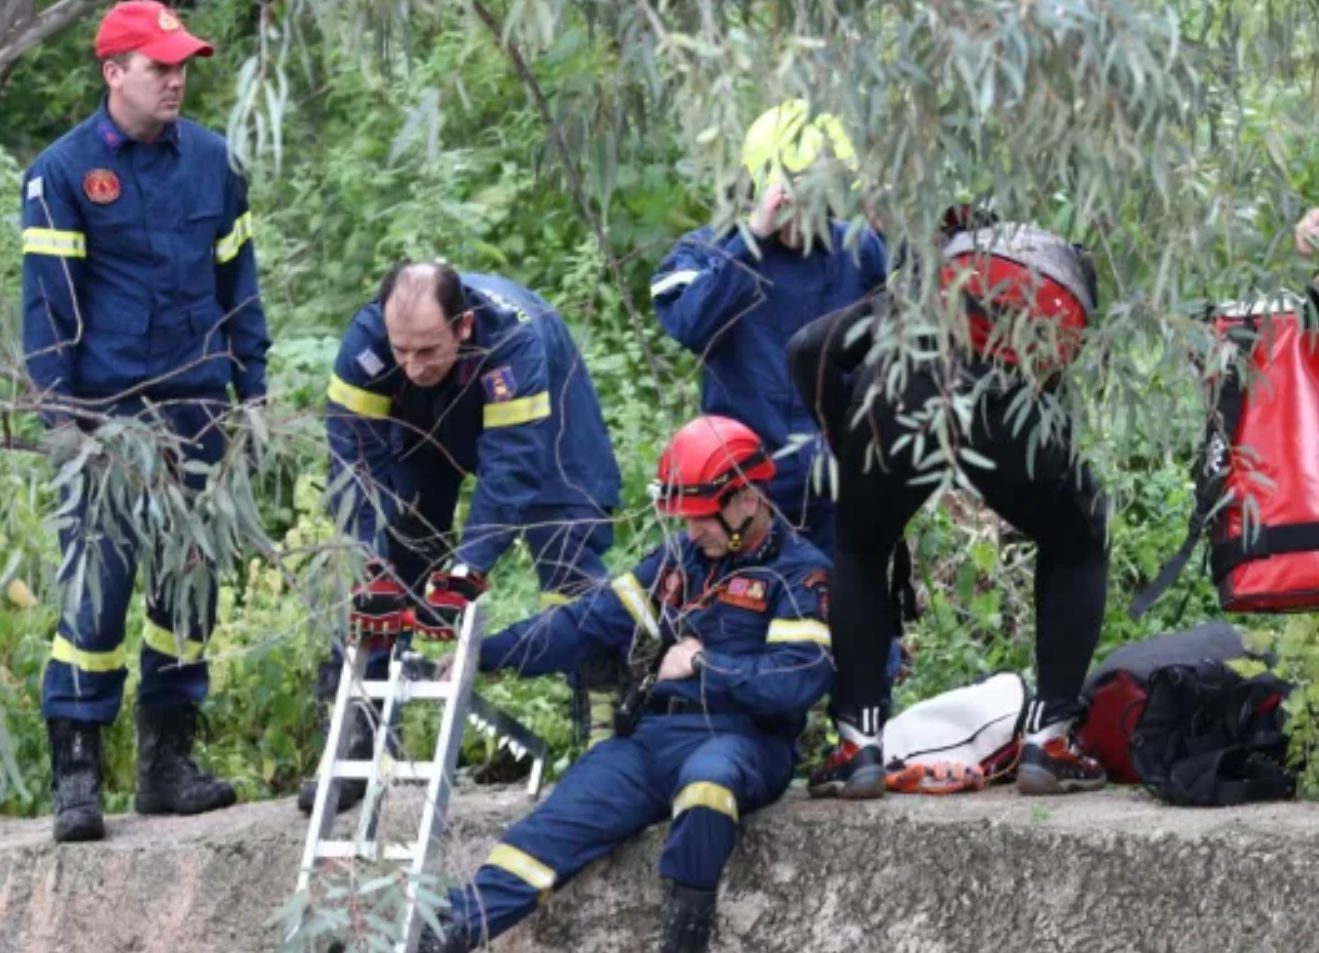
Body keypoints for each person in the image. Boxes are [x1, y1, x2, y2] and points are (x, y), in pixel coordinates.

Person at [418, 415, 832, 953]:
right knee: (548, 832)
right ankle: (442, 936)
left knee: (708, 785)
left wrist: (707, 664)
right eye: (683, 518)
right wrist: (484, 655)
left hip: (744, 739)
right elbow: (585, 623)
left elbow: (794, 684)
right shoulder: (678, 561)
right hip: (652, 741)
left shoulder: (801, 574)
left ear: (748, 499)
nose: (691, 531)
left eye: (702, 517)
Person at [20, 1, 268, 842]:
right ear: (112, 72)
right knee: (96, 594)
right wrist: (66, 425)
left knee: (187, 591)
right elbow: (48, 316)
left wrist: (255, 394)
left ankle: (167, 763)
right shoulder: (62, 173)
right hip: (106, 420)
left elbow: (241, 287)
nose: (175, 78)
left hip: (198, 408)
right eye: (158, 65)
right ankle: (78, 775)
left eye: (182, 64)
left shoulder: (213, 163)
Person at [790, 213, 1109, 798]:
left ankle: (857, 747)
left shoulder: (910, 293)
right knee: (1078, 541)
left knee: (861, 550)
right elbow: (1062, 369)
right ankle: (1052, 740)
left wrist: (845, 441)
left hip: (889, 409)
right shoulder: (1051, 276)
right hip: (1005, 418)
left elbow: (808, 348)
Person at [300, 260, 622, 812]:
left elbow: (510, 473)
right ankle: (356, 740)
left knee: (567, 549)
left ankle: (606, 747)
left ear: (464, 326)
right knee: (395, 551)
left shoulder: (514, 342)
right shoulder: (369, 345)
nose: (412, 363)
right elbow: (353, 465)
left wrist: (466, 571)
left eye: (427, 350)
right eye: (402, 350)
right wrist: (368, 558)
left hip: (545, 415)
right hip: (424, 425)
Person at [649, 100, 887, 555]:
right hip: (747, 494)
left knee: (846, 609)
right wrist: (751, 242)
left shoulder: (857, 249)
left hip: (838, 485)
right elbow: (688, 324)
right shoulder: (712, 251)